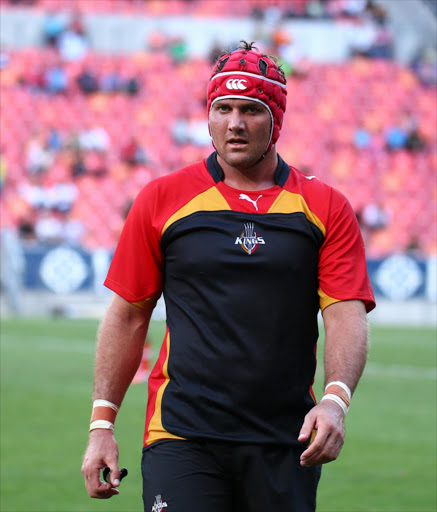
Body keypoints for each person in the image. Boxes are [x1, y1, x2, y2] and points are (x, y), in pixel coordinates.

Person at [81, 41, 375, 511]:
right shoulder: (161, 198)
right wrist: (102, 427)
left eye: (251, 110)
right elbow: (128, 315)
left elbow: (345, 311)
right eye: (223, 108)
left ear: (276, 119)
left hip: (286, 439)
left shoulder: (325, 207)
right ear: (209, 115)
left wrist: (336, 400)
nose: (235, 123)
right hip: (181, 434)